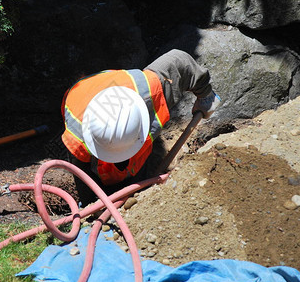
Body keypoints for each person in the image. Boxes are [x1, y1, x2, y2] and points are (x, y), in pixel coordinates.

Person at [61, 49, 221, 206]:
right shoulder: (77, 139)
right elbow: (83, 177)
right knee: (97, 184)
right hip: (80, 95)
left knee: (142, 164)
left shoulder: (150, 89)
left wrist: (205, 95)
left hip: (117, 89)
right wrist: (94, 207)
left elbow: (180, 61)